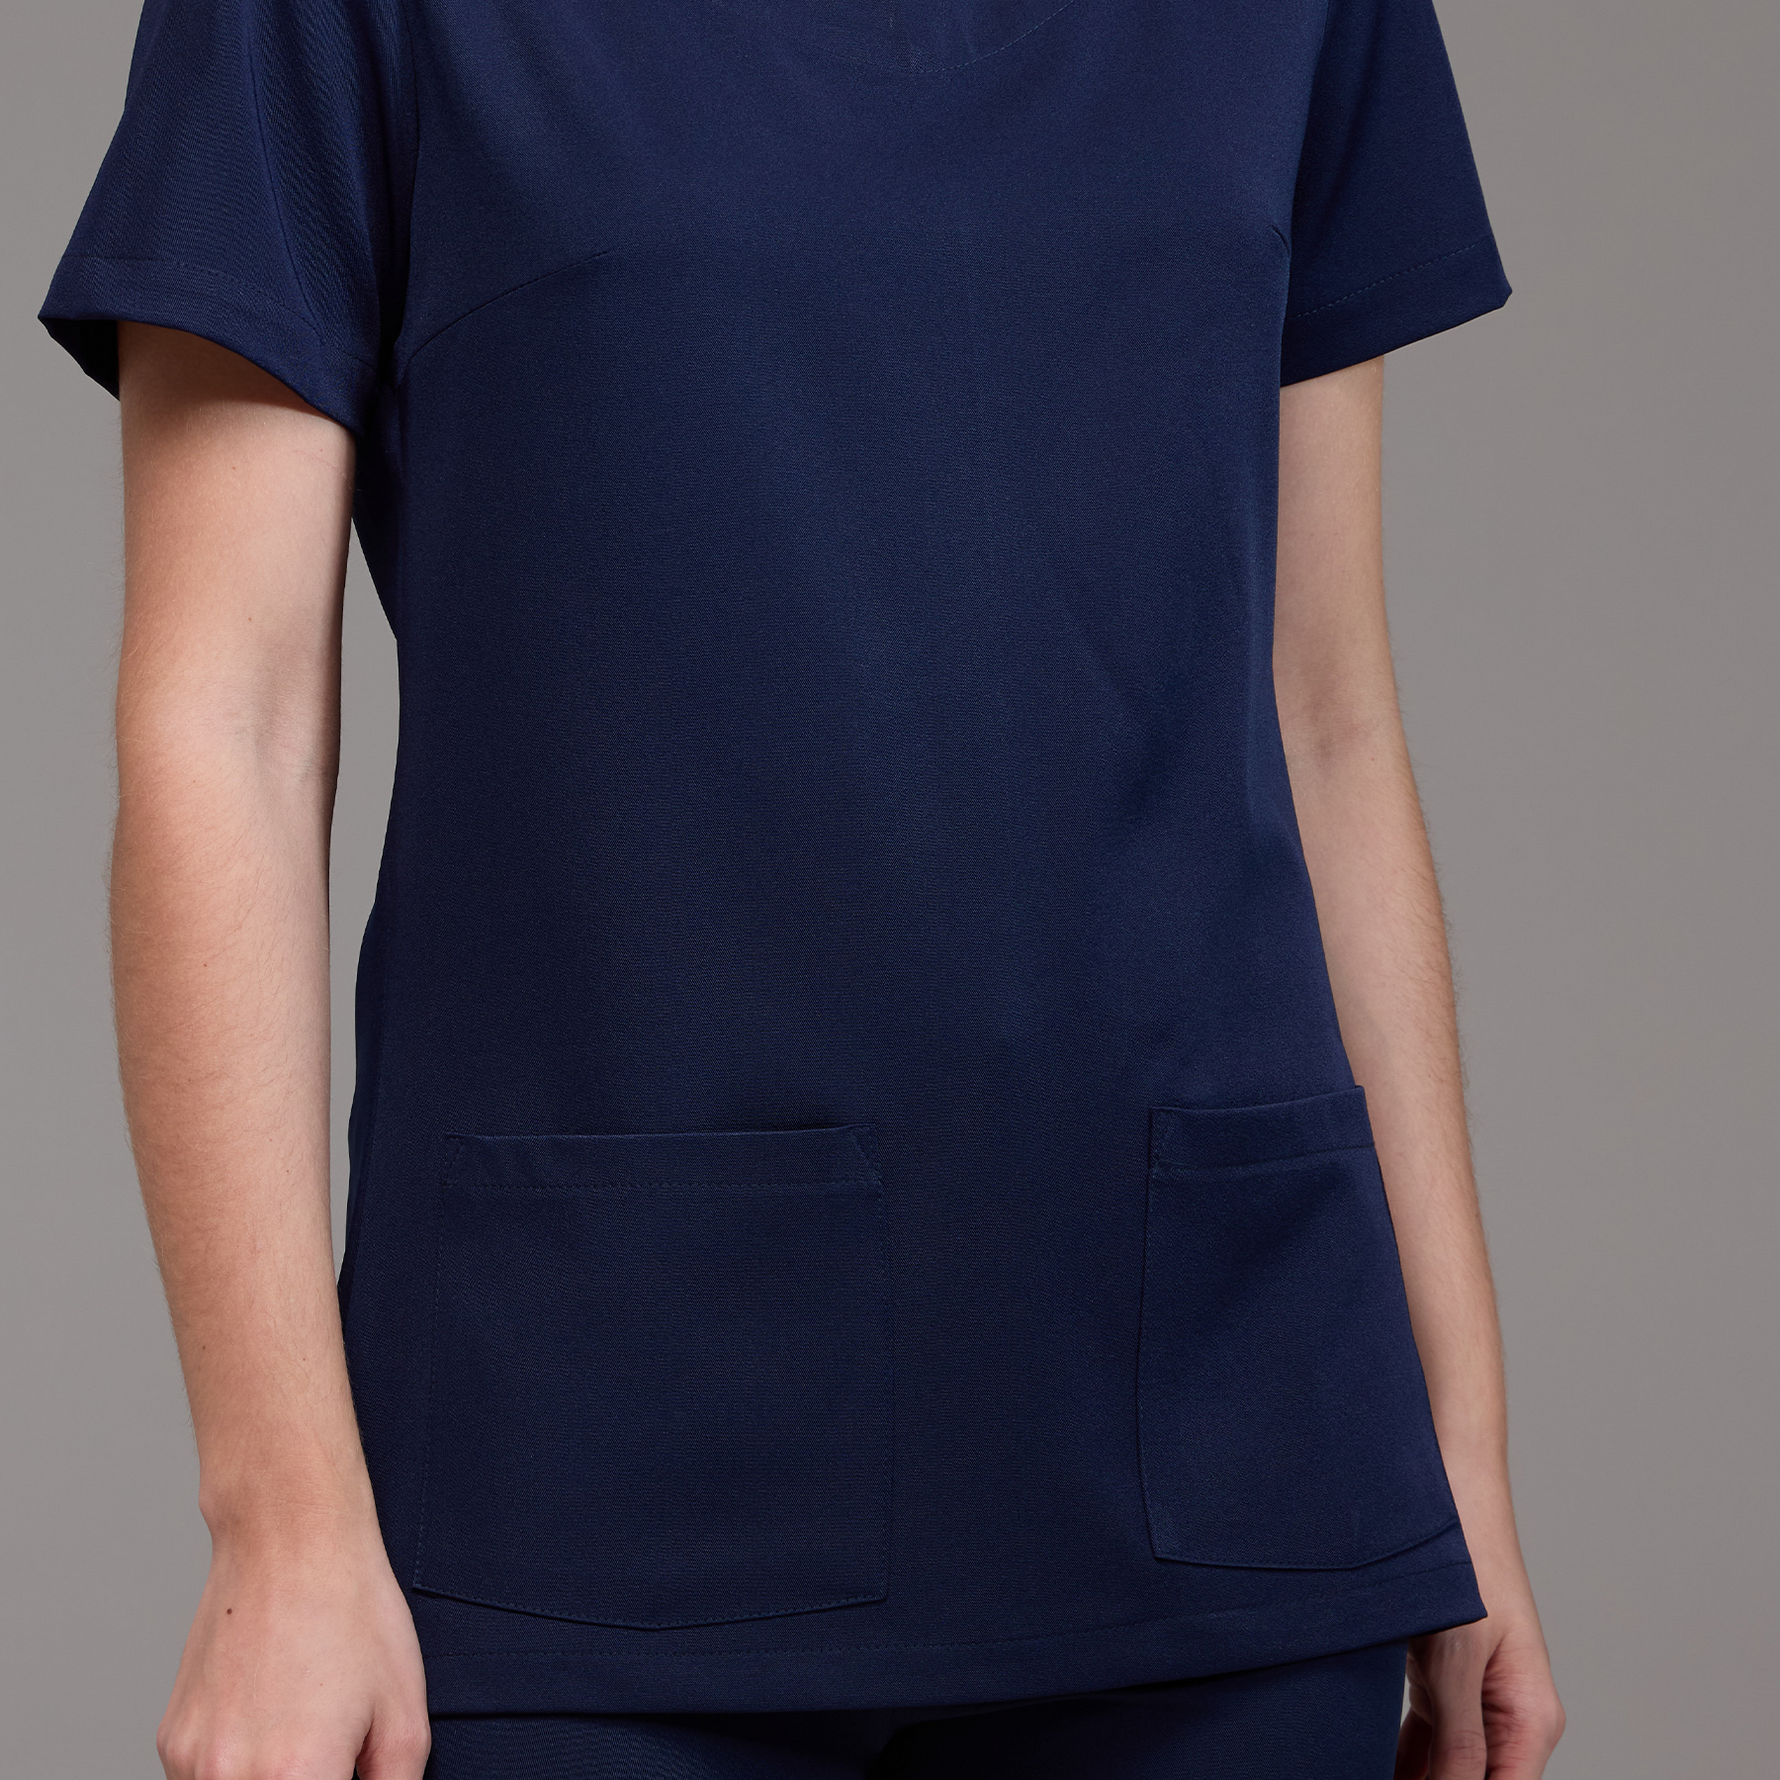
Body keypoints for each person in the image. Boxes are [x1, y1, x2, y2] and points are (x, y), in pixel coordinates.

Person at [37, 0, 1566, 1773]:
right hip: (583, 1477)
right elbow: (226, 723)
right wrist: (281, 1516)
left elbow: (1324, 713)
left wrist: (1456, 1450)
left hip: (1228, 1454)